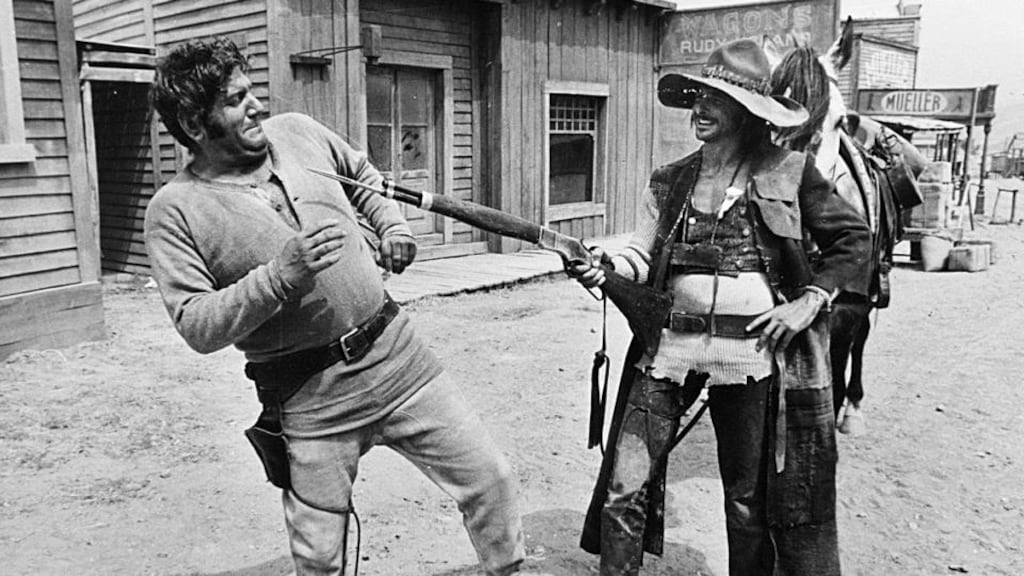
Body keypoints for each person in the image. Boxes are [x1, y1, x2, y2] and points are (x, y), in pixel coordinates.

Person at [144, 37, 528, 575]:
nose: (255, 105)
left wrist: (392, 226)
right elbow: (196, 324)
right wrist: (279, 277)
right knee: (319, 555)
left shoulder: (298, 132)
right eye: (234, 100)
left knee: (493, 481)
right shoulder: (175, 212)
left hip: (401, 363)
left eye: (250, 91)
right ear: (192, 121)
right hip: (311, 400)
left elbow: (363, 176)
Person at [571, 39, 871, 576]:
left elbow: (854, 240)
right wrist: (608, 267)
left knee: (747, 502)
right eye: (698, 96)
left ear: (748, 111)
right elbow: (640, 254)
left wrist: (809, 300)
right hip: (668, 351)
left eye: (716, 98)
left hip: (751, 359)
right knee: (625, 485)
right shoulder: (669, 181)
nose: (700, 109)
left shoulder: (790, 172)